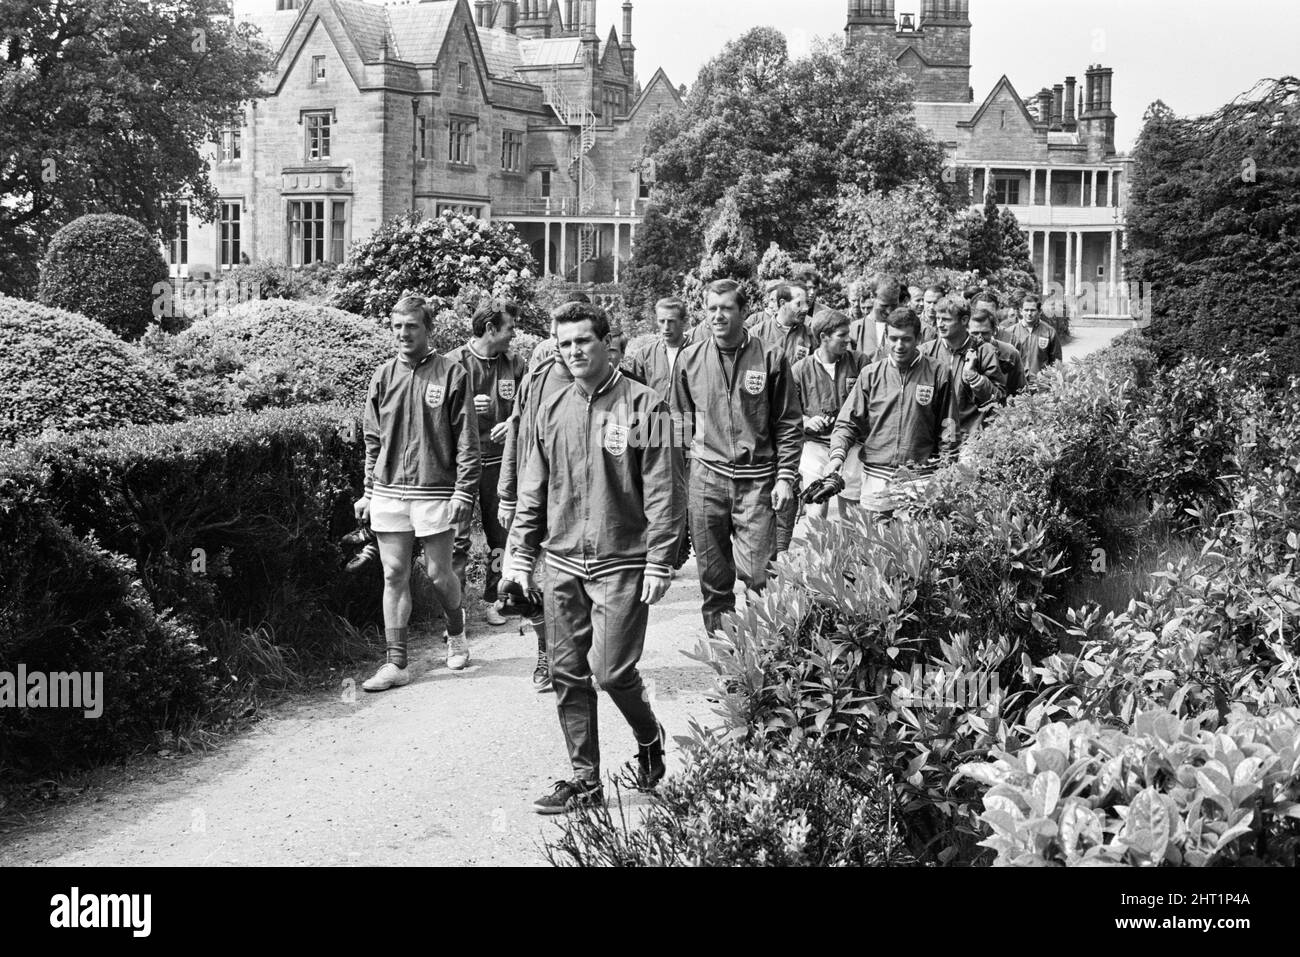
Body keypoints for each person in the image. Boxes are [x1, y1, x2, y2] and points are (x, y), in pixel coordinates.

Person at [504, 303, 684, 814]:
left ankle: (649, 736)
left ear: (608, 343)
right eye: (565, 344)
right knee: (566, 672)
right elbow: (533, 488)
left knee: (610, 671)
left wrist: (660, 559)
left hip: (622, 562)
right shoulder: (550, 406)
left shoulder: (650, 407)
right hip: (561, 560)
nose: (574, 351)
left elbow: (665, 490)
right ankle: (585, 780)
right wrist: (519, 554)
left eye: (583, 341)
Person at [356, 296, 480, 690]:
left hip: (435, 488)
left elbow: (467, 440)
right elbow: (372, 439)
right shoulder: (383, 375)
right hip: (390, 489)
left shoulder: (453, 374)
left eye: (411, 326)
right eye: (397, 326)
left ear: (429, 329)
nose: (403, 333)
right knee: (394, 573)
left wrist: (464, 492)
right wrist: (369, 490)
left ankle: (457, 634)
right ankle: (397, 664)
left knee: (439, 574)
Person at [675, 279, 802, 635]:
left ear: (744, 312)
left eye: (726, 308)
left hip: (757, 481)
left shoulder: (770, 358)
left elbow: (789, 423)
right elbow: (678, 424)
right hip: (706, 481)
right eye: (711, 308)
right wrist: (680, 485)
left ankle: (762, 660)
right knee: (714, 582)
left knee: (761, 580)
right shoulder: (690, 359)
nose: (717, 316)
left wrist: (785, 477)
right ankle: (726, 660)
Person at [499, 305, 578, 692]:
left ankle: (575, 653)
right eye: (558, 337)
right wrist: (506, 493)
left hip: (576, 498)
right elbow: (516, 427)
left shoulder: (599, 382)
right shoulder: (537, 375)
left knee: (567, 583)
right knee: (529, 581)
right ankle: (547, 654)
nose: (562, 346)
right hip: (534, 494)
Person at [445, 301, 527, 627]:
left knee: (500, 538)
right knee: (457, 542)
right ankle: (456, 611)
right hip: (461, 468)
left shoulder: (515, 363)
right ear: (491, 329)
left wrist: (514, 422)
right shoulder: (453, 363)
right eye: (509, 328)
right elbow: (433, 416)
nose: (514, 334)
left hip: (499, 465)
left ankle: (494, 598)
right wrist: (464, 405)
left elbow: (533, 403)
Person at [824, 308, 952, 517]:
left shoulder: (938, 372)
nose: (899, 345)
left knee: (917, 546)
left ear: (918, 338)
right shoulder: (870, 374)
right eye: (893, 338)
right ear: (886, 337)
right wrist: (837, 456)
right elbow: (848, 422)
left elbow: (948, 426)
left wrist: (947, 468)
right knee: (876, 544)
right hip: (877, 476)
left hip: (920, 477)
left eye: (906, 339)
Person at [625, 297, 694, 569]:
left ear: (684, 322)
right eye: (661, 321)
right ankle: (654, 552)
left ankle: (677, 548)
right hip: (653, 432)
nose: (665, 327)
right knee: (652, 492)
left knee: (681, 494)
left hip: (687, 429)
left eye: (671, 322)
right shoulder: (646, 354)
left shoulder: (696, 352)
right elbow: (637, 394)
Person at [791, 309, 868, 520]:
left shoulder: (860, 362)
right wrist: (806, 421)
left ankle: (851, 553)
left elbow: (871, 404)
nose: (847, 339)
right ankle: (819, 553)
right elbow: (787, 412)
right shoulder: (800, 369)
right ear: (824, 337)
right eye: (841, 335)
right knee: (816, 509)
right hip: (815, 446)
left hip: (852, 446)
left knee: (853, 512)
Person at [920, 296, 1006, 454]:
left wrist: (974, 377)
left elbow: (997, 401)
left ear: (965, 320)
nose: (940, 324)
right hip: (933, 441)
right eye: (938, 318)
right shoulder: (926, 352)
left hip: (971, 441)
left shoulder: (984, 351)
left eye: (946, 319)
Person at [999, 291, 1062, 386]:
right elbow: (1003, 360)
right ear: (1021, 311)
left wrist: (1052, 383)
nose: (1029, 313)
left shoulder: (1049, 332)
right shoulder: (1010, 332)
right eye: (1026, 310)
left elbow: (1056, 362)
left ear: (1039, 311)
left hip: (1042, 385)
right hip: (1017, 385)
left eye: (1033, 310)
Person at [749, 282, 816, 367]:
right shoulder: (757, 333)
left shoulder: (810, 336)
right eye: (799, 303)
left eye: (807, 303)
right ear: (782, 303)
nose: (806, 308)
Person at [970, 306, 1025, 402]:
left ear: (994, 331)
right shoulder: (962, 352)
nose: (980, 338)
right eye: (975, 333)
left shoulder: (1009, 353)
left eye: (984, 333)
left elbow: (1021, 391)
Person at [848, 275, 901, 361]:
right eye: (884, 305)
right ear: (872, 297)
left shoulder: (904, 328)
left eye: (894, 305)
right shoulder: (855, 329)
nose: (889, 311)